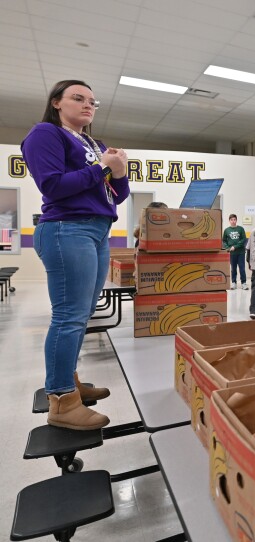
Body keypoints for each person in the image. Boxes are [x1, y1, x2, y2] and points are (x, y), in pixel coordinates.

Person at [23, 79, 130, 430]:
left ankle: (69, 381)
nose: (88, 105)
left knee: (82, 315)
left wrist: (119, 171)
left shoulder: (93, 142)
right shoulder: (45, 134)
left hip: (98, 230)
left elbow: (117, 194)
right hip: (67, 229)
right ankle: (61, 401)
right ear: (57, 102)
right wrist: (102, 167)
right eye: (78, 98)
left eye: (92, 101)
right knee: (69, 316)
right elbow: (53, 185)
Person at [223, 214, 248, 290]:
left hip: (240, 252)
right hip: (232, 253)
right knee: (233, 268)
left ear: (236, 220)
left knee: (242, 268)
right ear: (229, 221)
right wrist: (228, 248)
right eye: (231, 220)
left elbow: (243, 239)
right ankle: (234, 283)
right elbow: (224, 241)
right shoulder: (227, 230)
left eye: (234, 220)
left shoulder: (240, 229)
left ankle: (243, 283)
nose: (233, 221)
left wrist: (235, 246)